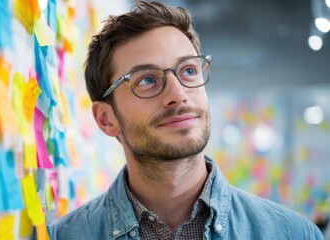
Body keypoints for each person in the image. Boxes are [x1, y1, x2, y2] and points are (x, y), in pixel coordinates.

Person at [49, 1, 324, 239]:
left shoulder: (293, 234)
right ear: (106, 119)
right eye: (146, 79)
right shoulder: (65, 236)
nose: (178, 95)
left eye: (189, 70)